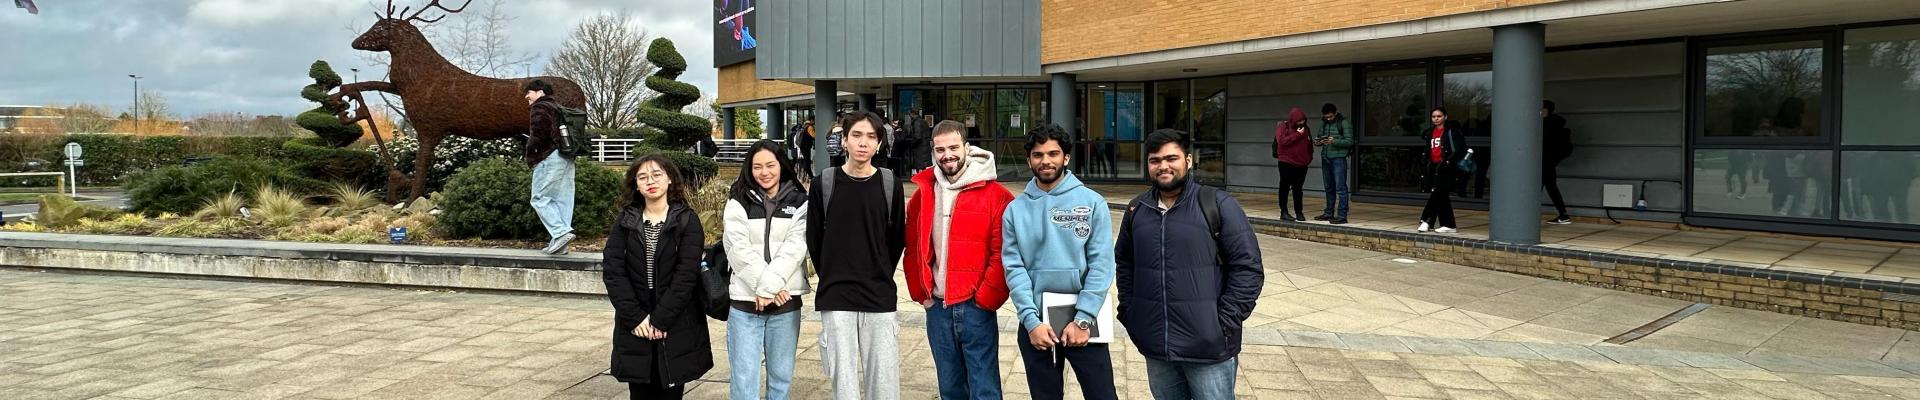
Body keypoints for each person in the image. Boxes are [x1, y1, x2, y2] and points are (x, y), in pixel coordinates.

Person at [1117, 129, 1264, 400]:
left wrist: (1223, 323)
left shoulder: (1217, 204)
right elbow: (1125, 263)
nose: (1163, 166)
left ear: (1188, 160)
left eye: (1171, 158)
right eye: (1155, 160)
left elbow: (1248, 267)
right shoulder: (1137, 209)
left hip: (1208, 348)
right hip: (1156, 346)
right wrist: (1130, 312)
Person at [1002, 123, 1118, 400]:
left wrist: (1083, 319)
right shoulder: (1015, 210)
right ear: (1029, 160)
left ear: (1066, 158)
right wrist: (1031, 322)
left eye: (1053, 153)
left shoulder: (1092, 203)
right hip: (1037, 324)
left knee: (1102, 395)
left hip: (1082, 320)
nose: (1046, 161)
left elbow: (1102, 265)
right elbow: (1014, 269)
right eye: (1038, 154)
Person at [905, 119, 1013, 399]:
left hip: (976, 308)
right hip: (937, 308)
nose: (947, 155)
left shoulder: (997, 196)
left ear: (967, 147)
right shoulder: (923, 194)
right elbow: (912, 248)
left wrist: (985, 300)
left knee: (985, 389)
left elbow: (1002, 253)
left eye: (953, 147)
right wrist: (922, 295)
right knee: (950, 389)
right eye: (940, 150)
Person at [808, 110, 907, 400]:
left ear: (879, 144)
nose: (863, 143)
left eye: (871, 137)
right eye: (857, 135)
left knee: (884, 383)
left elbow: (896, 240)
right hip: (836, 295)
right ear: (845, 140)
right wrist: (832, 273)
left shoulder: (890, 183)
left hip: (879, 294)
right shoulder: (823, 183)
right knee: (844, 383)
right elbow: (814, 240)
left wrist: (879, 271)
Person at [602, 154, 712, 400]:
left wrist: (661, 320)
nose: (650, 181)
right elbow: (613, 270)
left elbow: (686, 275)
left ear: (670, 179)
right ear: (636, 185)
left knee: (670, 389)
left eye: (656, 175)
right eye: (643, 177)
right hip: (636, 315)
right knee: (639, 390)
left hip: (675, 318)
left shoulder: (687, 220)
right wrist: (635, 317)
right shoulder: (626, 220)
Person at [722, 140, 810, 400]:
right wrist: (768, 288)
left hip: (786, 304)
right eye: (757, 166)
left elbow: (796, 247)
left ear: (781, 165)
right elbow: (737, 249)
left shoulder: (800, 201)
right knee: (744, 380)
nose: (764, 172)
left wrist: (768, 288)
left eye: (770, 165)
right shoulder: (738, 201)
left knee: (781, 379)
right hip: (745, 302)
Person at [524, 79, 576, 255]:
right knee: (563, 199)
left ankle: (560, 233)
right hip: (566, 156)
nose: (526, 96)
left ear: (540, 92)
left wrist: (531, 153)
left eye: (529, 92)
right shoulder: (557, 107)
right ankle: (560, 244)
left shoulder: (540, 107)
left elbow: (538, 134)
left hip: (549, 156)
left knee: (539, 198)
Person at [1419, 107, 1468, 234]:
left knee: (1437, 193)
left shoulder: (1452, 132)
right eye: (1434, 116)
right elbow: (1428, 150)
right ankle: (1448, 225)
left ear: (1445, 117)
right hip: (1434, 166)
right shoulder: (1430, 132)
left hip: (1446, 167)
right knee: (1441, 195)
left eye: (1439, 116)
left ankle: (1426, 220)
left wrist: (1448, 161)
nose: (1436, 119)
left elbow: (1460, 149)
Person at [1313, 103, 1353, 224]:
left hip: (1339, 159)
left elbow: (1349, 141)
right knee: (1329, 187)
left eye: (1331, 116)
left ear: (1335, 113)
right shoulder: (1324, 123)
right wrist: (1318, 142)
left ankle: (1342, 215)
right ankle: (1328, 213)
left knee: (1341, 188)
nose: (1329, 119)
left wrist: (1334, 141)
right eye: (1326, 117)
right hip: (1326, 158)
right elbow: (1319, 137)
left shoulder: (1344, 123)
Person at [1273, 107, 1312, 222]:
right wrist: (1297, 135)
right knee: (1284, 187)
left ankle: (1299, 212)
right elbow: (1282, 141)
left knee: (1298, 189)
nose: (1301, 123)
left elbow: (1309, 144)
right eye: (1299, 121)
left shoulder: (1306, 128)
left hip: (1302, 163)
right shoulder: (1282, 126)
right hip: (1286, 162)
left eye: (1303, 120)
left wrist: (1309, 157)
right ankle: (1284, 212)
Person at [1542, 100, 1573, 225]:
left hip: (1545, 161)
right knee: (1550, 187)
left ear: (1547, 110)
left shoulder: (1546, 125)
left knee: (1544, 187)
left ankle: (1563, 215)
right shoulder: (1555, 124)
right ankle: (1563, 215)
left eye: (1542, 110)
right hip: (1549, 161)